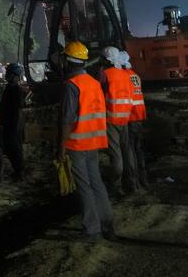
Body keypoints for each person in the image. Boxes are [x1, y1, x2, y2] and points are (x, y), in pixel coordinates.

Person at [59, 41, 115, 241]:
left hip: (77, 143)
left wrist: (61, 148)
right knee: (97, 182)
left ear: (67, 61)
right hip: (95, 141)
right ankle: (107, 223)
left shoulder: (71, 86)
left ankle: (92, 230)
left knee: (84, 186)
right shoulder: (93, 83)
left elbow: (67, 120)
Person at [99, 46, 137, 196]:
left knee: (116, 155)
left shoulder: (105, 75)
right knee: (127, 151)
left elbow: (100, 94)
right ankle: (132, 183)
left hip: (111, 118)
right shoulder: (125, 74)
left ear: (106, 60)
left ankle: (116, 187)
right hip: (125, 117)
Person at [120, 51, 148, 188]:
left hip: (130, 117)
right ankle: (143, 179)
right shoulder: (135, 76)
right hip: (139, 115)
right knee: (138, 149)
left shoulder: (123, 76)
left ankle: (134, 182)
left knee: (129, 149)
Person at [0, 63, 27, 182]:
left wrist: (17, 125)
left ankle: (19, 171)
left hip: (13, 123)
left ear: (15, 76)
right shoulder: (9, 88)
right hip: (8, 123)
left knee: (14, 147)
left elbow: (18, 109)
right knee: (10, 147)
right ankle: (17, 170)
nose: (7, 75)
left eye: (9, 73)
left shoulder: (16, 90)